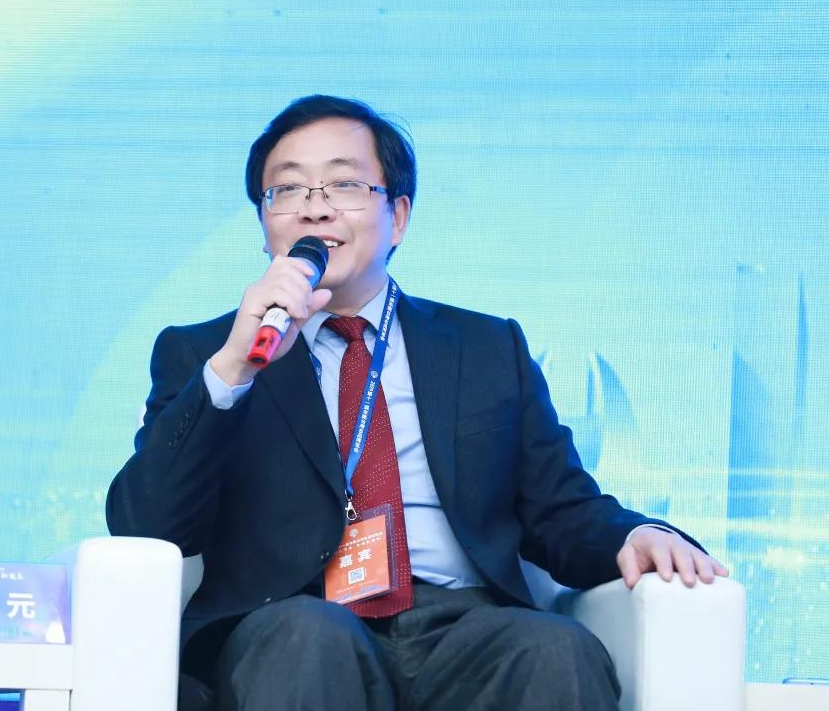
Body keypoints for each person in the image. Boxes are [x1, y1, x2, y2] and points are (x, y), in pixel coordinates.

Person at [106, 95, 729, 711]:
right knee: (305, 638)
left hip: (464, 627)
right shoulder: (208, 353)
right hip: (292, 622)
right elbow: (147, 524)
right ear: (265, 223)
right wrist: (234, 369)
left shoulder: (485, 348)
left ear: (398, 217)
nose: (315, 207)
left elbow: (560, 508)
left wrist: (635, 534)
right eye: (288, 190)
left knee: (555, 650)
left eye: (344, 184)